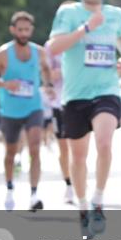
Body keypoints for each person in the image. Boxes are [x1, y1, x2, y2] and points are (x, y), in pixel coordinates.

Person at [48, 0, 121, 237]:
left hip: (106, 90)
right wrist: (86, 27)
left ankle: (98, 201)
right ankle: (82, 206)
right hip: (75, 95)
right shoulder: (68, 13)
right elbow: (54, 48)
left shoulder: (115, 14)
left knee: (104, 142)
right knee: (78, 156)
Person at [0, 11, 54, 211]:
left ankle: (34, 194)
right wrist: (4, 84)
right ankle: (9, 189)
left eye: (27, 29)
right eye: (20, 30)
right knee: (10, 153)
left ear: (31, 30)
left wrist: (47, 84)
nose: (24, 33)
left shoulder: (39, 52)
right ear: (13, 30)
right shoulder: (3, 53)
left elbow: (46, 69)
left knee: (34, 147)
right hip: (10, 110)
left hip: (34, 107)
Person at [45, 33, 75, 205]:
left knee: (79, 147)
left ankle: (79, 179)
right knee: (64, 148)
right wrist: (49, 79)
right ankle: (69, 184)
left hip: (79, 101)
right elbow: (44, 72)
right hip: (58, 103)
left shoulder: (83, 41)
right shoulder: (51, 46)